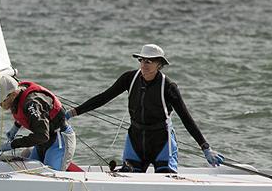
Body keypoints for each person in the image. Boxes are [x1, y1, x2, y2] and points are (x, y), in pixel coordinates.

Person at [65, 44, 223, 173]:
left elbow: (186, 118)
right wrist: (73, 112)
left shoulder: (168, 86)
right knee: (128, 174)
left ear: (159, 64)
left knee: (165, 176)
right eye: (142, 60)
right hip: (136, 139)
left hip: (162, 141)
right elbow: (103, 97)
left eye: (149, 61)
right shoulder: (129, 78)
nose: (144, 65)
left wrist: (205, 147)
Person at [0, 75, 76, 171]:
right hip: (42, 141)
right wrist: (16, 127)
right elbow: (27, 114)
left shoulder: (32, 104)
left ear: (13, 94)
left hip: (59, 141)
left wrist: (12, 145)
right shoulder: (18, 95)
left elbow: (42, 135)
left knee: (49, 174)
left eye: (1, 102)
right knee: (31, 171)